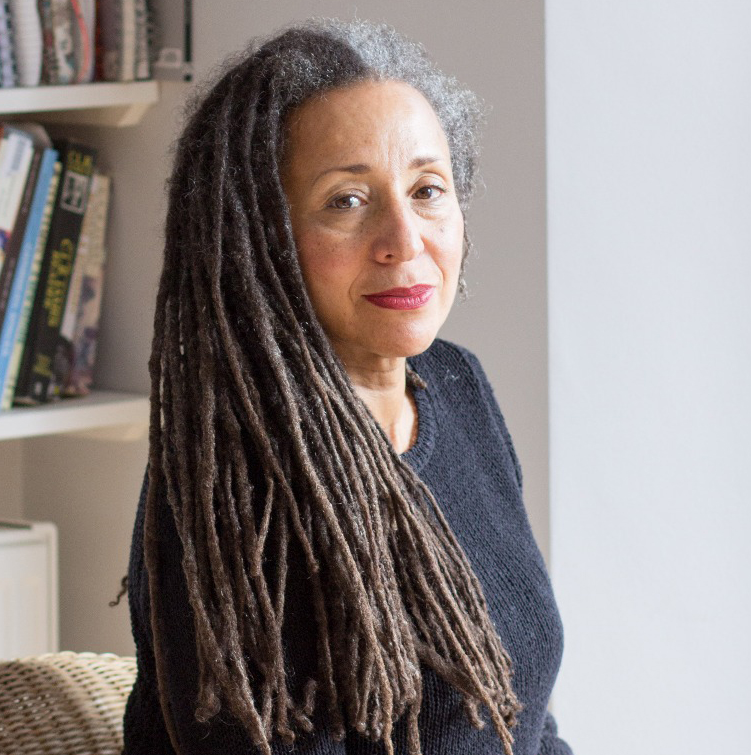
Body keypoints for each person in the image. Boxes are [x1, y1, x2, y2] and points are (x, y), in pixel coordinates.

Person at [122, 18, 572, 755]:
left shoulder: (456, 387)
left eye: (428, 189)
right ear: (261, 238)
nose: (404, 236)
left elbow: (528, 714)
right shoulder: (230, 483)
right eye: (346, 201)